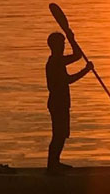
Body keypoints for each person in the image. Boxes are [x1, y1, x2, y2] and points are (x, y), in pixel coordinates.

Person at [45, 29, 93, 173]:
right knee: (58, 134)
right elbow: (68, 79)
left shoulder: (58, 60)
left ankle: (55, 162)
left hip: (61, 103)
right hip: (57, 103)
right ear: (55, 46)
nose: (64, 46)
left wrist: (72, 38)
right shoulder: (55, 61)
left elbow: (77, 56)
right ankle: (52, 165)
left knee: (62, 134)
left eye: (64, 43)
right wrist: (86, 70)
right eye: (62, 43)